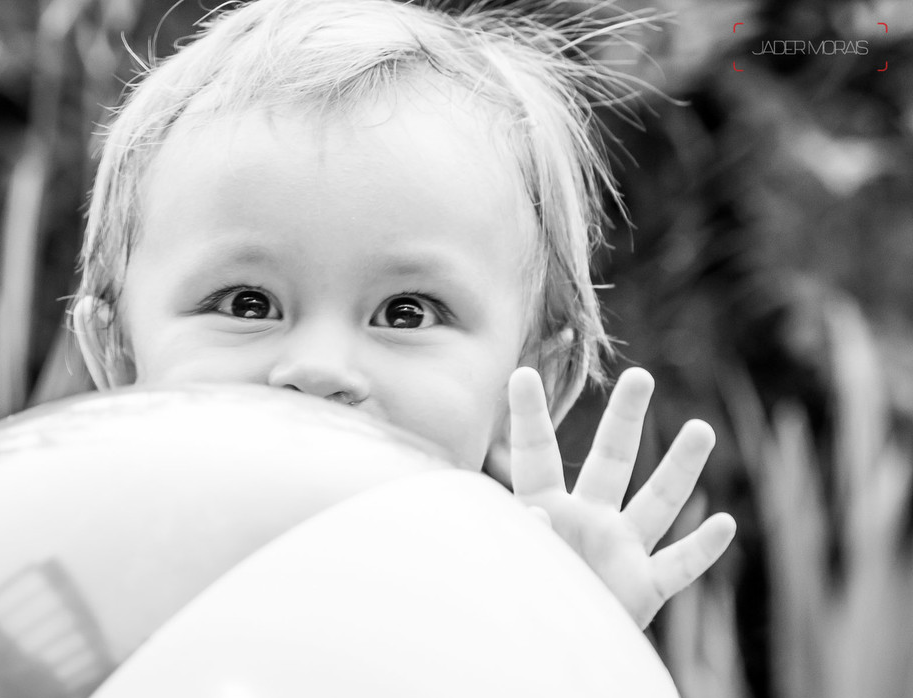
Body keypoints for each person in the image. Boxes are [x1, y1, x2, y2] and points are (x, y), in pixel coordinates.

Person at [70, 0, 735, 628]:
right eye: (248, 304)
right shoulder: (65, 601)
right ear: (121, 353)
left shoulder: (509, 633)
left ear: (527, 383)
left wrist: (575, 647)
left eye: (407, 312)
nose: (320, 368)